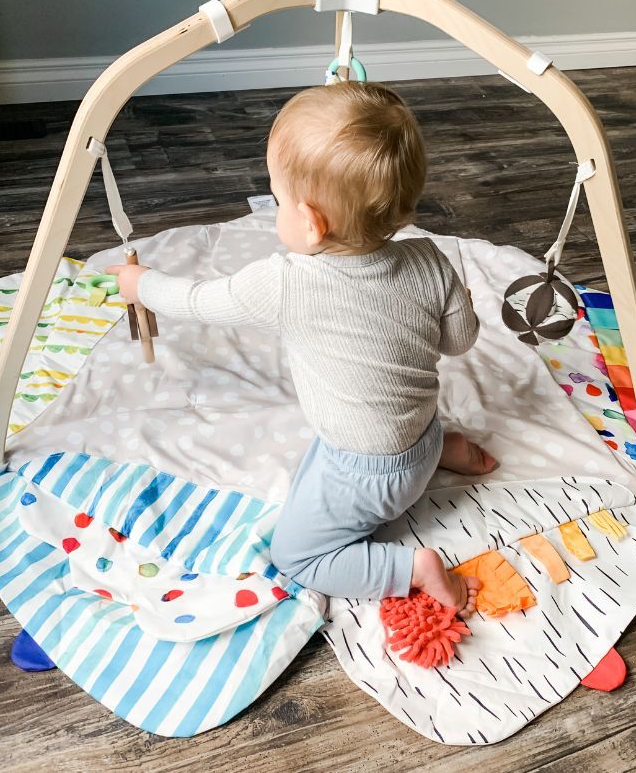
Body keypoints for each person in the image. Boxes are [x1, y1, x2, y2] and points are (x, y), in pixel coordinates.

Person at [108, 82, 495, 616]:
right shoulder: (431, 258)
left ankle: (414, 569)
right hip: (419, 435)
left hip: (369, 475)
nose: (274, 210)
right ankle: (440, 453)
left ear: (310, 224)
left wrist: (141, 284)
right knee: (408, 430)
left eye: (277, 199)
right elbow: (461, 341)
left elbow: (198, 300)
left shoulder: (287, 283)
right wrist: (461, 302)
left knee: (296, 554)